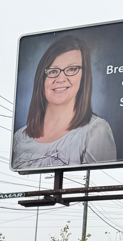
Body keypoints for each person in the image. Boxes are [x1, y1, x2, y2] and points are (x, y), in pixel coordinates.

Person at [13, 35, 116, 170]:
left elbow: (99, 185)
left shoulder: (96, 130)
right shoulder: (20, 137)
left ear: (84, 77)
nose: (61, 78)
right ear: (41, 78)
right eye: (53, 71)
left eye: (72, 69)